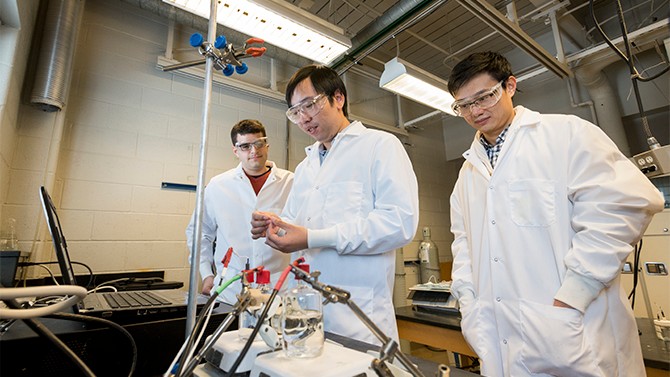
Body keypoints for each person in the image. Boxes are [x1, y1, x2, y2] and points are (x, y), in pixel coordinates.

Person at [447, 51, 665, 376]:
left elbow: (626, 204)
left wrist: (574, 295)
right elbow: (464, 244)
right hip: (498, 332)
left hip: (575, 324)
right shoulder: (468, 173)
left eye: (485, 97)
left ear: (509, 86)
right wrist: (468, 301)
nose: (475, 111)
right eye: (463, 105)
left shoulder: (566, 135)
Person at [250, 65, 419, 344]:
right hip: (307, 313)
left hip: (361, 316)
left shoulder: (380, 146)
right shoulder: (306, 167)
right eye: (296, 112)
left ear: (338, 98)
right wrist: (274, 224)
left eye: (309, 105)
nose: (303, 118)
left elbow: (398, 224)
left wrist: (313, 237)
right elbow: (295, 224)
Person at [186, 119, 294, 305]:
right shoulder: (218, 186)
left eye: (258, 143)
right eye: (245, 146)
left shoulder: (291, 182)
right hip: (230, 289)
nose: (254, 151)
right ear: (235, 151)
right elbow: (199, 234)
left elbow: (304, 230)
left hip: (280, 288)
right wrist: (206, 274)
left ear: (267, 145)